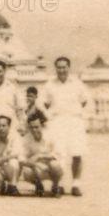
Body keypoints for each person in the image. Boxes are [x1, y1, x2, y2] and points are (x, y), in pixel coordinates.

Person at [43, 56, 87, 196]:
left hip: (74, 121)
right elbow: (43, 103)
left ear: (69, 68)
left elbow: (84, 101)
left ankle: (76, 184)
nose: (61, 70)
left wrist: (76, 114)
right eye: (59, 67)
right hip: (57, 122)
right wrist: (50, 116)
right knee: (58, 154)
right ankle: (59, 184)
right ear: (55, 68)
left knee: (77, 153)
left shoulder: (77, 83)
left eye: (64, 67)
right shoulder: (49, 85)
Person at [21, 113, 64, 197]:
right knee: (26, 171)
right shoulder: (26, 139)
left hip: (51, 166)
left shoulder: (52, 136)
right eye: (31, 127)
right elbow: (21, 157)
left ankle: (56, 186)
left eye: (36, 127)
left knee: (55, 164)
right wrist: (35, 164)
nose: (34, 130)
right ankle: (38, 184)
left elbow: (58, 154)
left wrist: (40, 156)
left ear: (42, 126)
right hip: (37, 167)